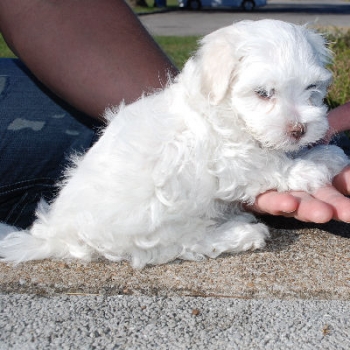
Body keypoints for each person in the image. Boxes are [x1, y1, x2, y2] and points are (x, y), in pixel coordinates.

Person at [0, 0, 350, 229]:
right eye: (263, 94)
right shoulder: (205, 111)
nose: (296, 123)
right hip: (124, 226)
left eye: (311, 90)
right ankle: (192, 240)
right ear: (218, 76)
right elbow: (262, 173)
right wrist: (307, 165)